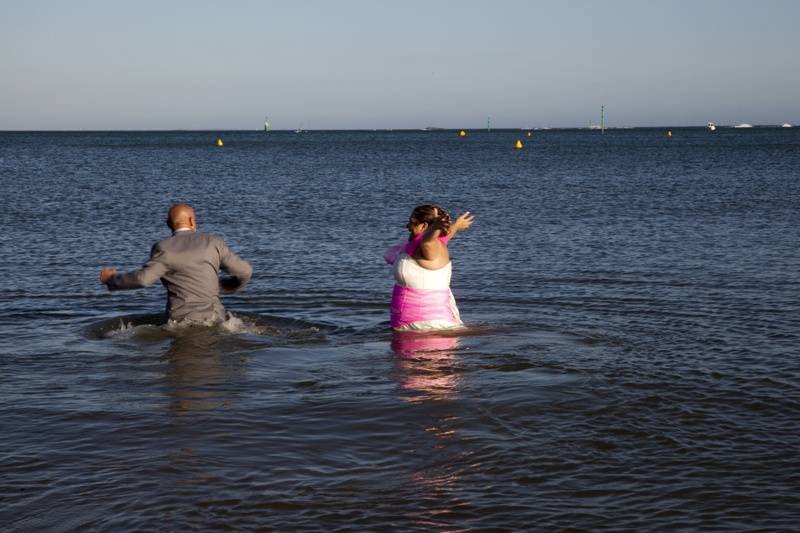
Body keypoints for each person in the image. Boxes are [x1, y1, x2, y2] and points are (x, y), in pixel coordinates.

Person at [99, 203, 252, 323]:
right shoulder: (213, 243)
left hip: (180, 320)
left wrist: (111, 280)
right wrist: (231, 285)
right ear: (192, 221)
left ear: (168, 224)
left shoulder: (163, 249)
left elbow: (142, 279)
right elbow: (245, 271)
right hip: (215, 317)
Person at [384, 204, 474, 331]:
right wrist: (457, 226)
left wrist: (436, 227)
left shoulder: (430, 247)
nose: (407, 226)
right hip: (412, 326)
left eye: (412, 223)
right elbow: (445, 236)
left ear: (424, 226)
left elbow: (428, 241)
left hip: (429, 327)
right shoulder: (423, 244)